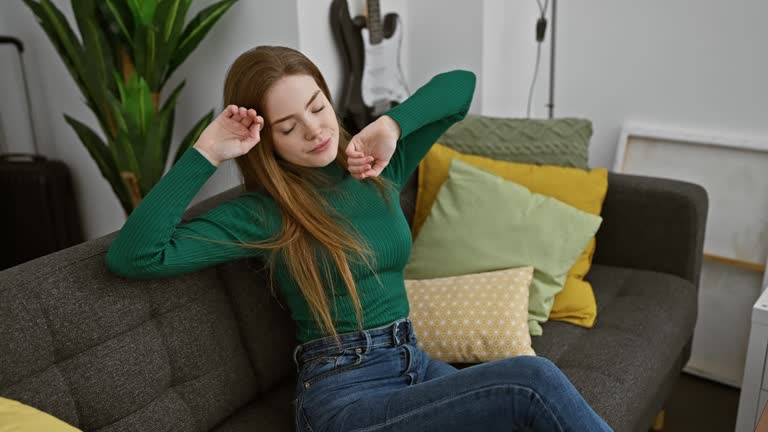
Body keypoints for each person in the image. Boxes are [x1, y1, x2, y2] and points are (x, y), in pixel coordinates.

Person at [105, 45, 613, 432]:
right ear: (266, 142)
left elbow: (460, 87)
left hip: (415, 362)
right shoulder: (263, 215)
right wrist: (208, 151)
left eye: (317, 106)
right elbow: (135, 254)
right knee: (533, 379)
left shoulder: (376, 169)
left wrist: (392, 124)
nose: (314, 130)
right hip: (346, 395)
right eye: (289, 125)